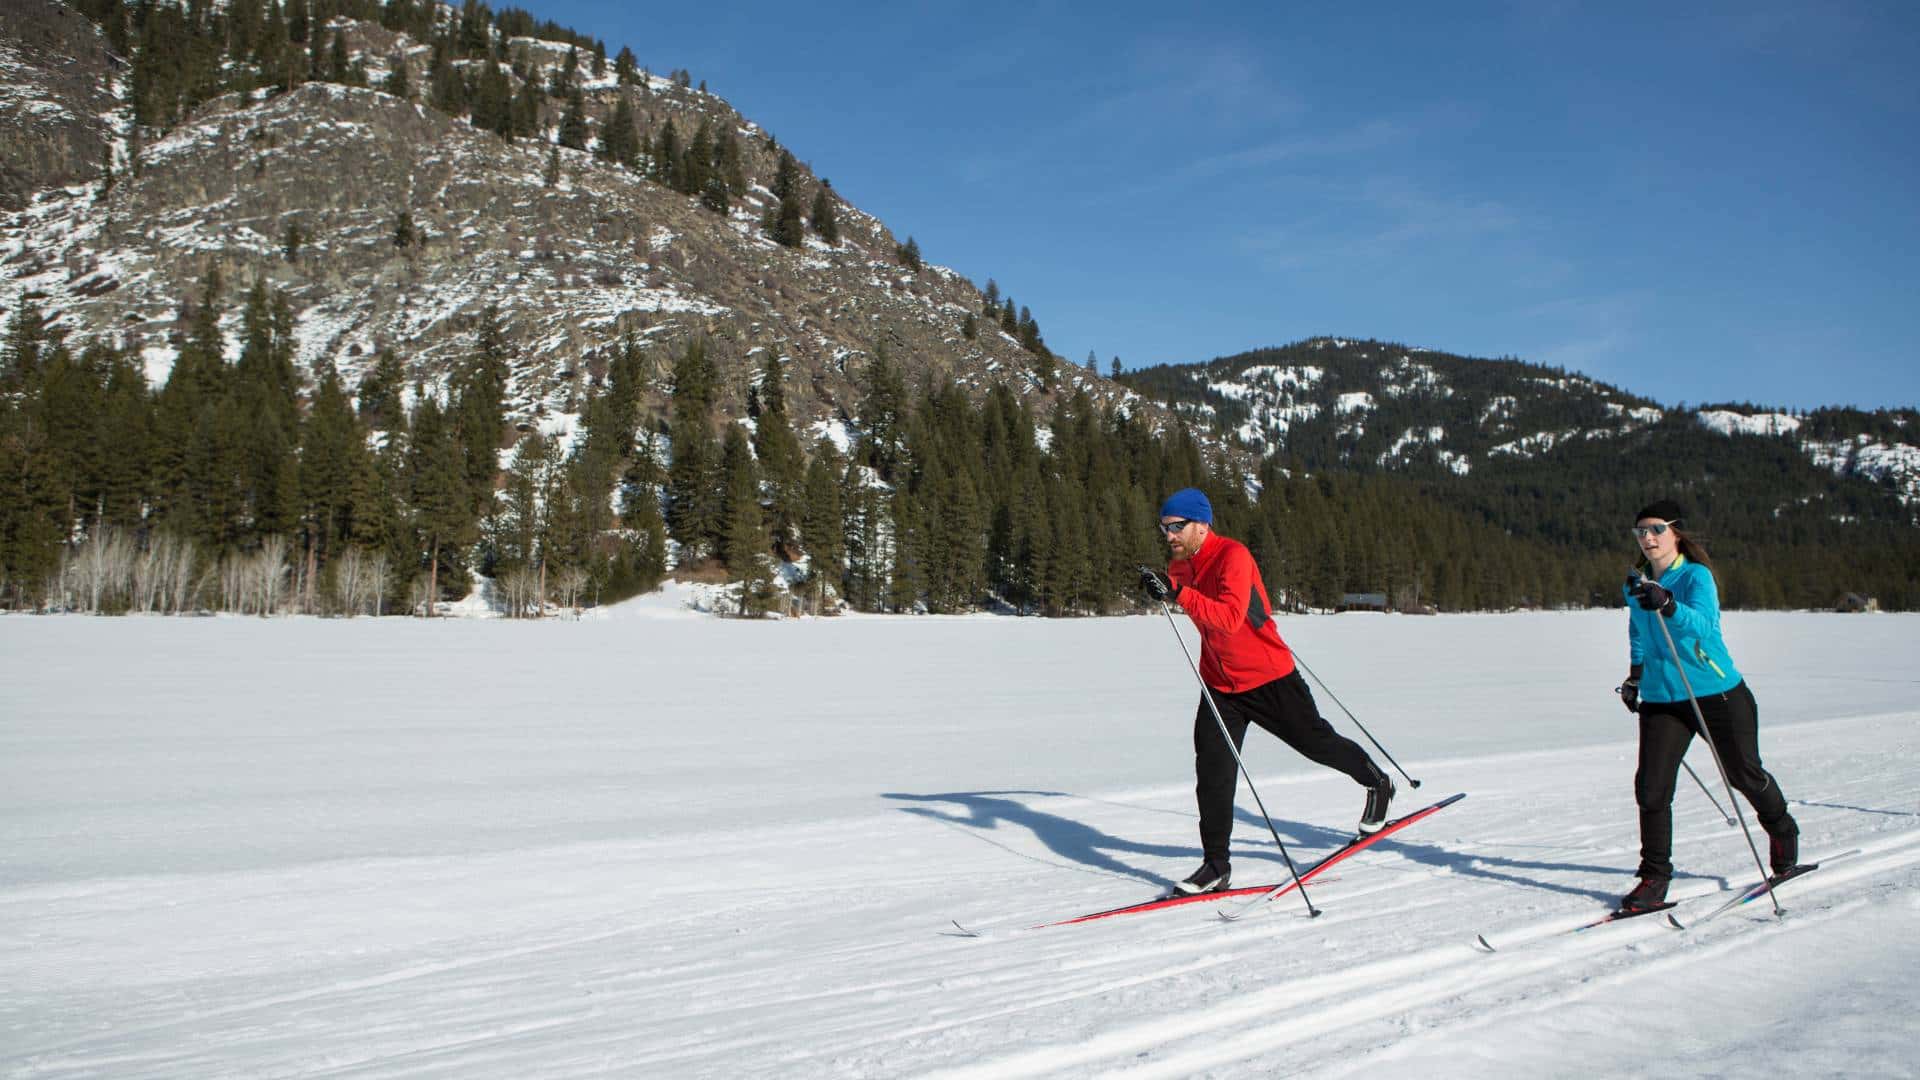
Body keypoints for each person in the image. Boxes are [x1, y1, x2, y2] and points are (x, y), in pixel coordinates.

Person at [1139, 487, 1395, 895]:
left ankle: (1377, 782)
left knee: (1316, 742)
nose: (1169, 535)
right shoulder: (1179, 567)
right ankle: (1216, 865)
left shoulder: (1233, 556)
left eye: (1176, 527)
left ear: (1202, 525)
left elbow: (1229, 618)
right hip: (1222, 686)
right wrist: (1168, 592)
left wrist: (1178, 595)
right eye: (1164, 527)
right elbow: (1204, 622)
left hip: (1270, 677)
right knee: (1213, 773)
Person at [1617, 499, 1799, 912]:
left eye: (1656, 529)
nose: (1647, 537)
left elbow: (1706, 627)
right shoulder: (1634, 583)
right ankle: (1654, 878)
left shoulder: (1696, 577)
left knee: (1744, 775)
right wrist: (1635, 676)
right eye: (1641, 531)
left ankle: (1782, 830)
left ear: (1676, 532)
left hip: (1715, 691)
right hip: (1663, 699)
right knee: (1651, 789)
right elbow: (1638, 630)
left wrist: (1669, 604)